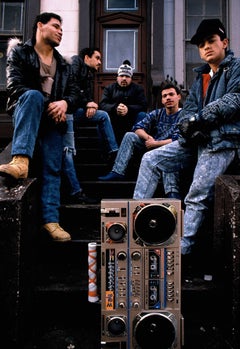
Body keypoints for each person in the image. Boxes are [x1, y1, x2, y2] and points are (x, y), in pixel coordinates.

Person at [133, 19, 240, 258]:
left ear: (225, 42)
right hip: (197, 140)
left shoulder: (236, 68)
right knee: (150, 159)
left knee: (196, 194)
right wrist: (191, 125)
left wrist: (197, 120)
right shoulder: (201, 77)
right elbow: (188, 113)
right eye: (201, 45)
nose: (206, 48)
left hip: (222, 142)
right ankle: (136, 225)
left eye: (211, 41)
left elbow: (233, 101)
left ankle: (183, 250)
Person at [0, 12, 80, 242]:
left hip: (54, 122)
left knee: (53, 169)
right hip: (28, 113)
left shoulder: (64, 65)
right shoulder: (21, 53)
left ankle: (51, 221)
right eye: (55, 26)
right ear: (40, 26)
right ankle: (20, 160)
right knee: (33, 95)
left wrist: (65, 103)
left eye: (62, 29)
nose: (60, 31)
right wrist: (51, 106)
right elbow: (15, 87)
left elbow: (76, 94)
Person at [98, 83, 182, 199]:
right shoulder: (157, 113)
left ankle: (172, 191)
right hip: (152, 145)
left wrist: (156, 144)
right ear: (162, 100)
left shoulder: (184, 115)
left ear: (179, 97)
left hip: (171, 150)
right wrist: (148, 137)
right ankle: (118, 171)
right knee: (129, 135)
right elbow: (137, 128)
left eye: (171, 94)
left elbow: (178, 140)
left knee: (168, 155)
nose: (168, 98)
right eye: (164, 96)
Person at [62, 48, 119, 203]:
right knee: (68, 150)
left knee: (102, 116)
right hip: (66, 112)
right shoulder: (75, 63)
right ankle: (76, 192)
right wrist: (87, 103)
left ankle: (113, 153)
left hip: (76, 111)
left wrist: (90, 105)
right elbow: (71, 87)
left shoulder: (89, 74)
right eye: (98, 58)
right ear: (87, 57)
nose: (100, 63)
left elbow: (87, 97)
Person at [99, 60, 148, 145]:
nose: (124, 78)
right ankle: (112, 150)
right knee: (101, 118)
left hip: (132, 121)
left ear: (131, 78)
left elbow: (143, 105)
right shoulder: (109, 88)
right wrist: (115, 108)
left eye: (127, 76)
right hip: (113, 121)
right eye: (122, 76)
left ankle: (137, 145)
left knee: (142, 115)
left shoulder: (138, 89)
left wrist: (128, 109)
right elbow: (103, 105)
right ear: (117, 77)